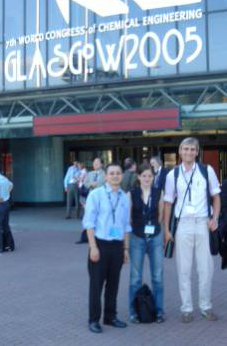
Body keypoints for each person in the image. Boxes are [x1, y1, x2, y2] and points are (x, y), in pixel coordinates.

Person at [164, 137, 221, 323]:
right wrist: (167, 229)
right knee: (184, 269)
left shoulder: (207, 171)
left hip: (203, 223)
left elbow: (216, 197)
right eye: (185, 149)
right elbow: (168, 203)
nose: (188, 152)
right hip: (183, 225)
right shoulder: (172, 175)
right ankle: (186, 308)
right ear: (180, 152)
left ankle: (205, 307)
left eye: (192, 149)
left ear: (197, 152)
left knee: (206, 268)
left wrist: (215, 218)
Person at [83, 163, 131, 333]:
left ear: (122, 176)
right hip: (100, 245)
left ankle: (110, 317)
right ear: (106, 176)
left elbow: (126, 226)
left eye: (118, 173)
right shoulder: (96, 195)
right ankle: (93, 319)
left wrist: (125, 249)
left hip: (117, 246)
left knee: (113, 284)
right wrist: (93, 247)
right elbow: (89, 223)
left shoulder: (125, 197)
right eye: (112, 173)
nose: (115, 176)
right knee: (96, 285)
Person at [128, 164, 164, 324]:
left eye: (150, 175)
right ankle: (134, 312)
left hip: (155, 237)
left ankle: (159, 311)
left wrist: (153, 228)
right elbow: (129, 217)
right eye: (144, 176)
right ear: (139, 177)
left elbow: (161, 215)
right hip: (137, 237)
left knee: (158, 277)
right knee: (135, 277)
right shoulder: (132, 193)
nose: (147, 178)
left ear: (153, 177)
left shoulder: (158, 192)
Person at [76, 158, 105, 244]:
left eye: (97, 162)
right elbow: (85, 183)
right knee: (87, 218)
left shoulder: (105, 174)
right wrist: (91, 184)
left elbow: (104, 184)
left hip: (101, 200)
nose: (95, 164)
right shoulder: (90, 173)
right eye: (94, 162)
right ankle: (84, 237)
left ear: (102, 164)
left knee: (100, 219)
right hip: (90, 199)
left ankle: (99, 237)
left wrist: (96, 184)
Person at [0, 171, 13, 254]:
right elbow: (11, 185)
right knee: (5, 225)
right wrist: (6, 194)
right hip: (6, 203)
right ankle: (10, 246)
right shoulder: (4, 178)